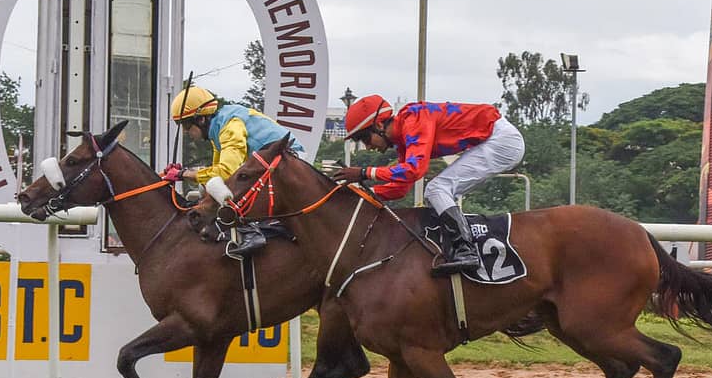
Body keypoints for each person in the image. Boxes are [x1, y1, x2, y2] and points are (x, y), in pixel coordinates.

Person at [332, 95, 525, 276]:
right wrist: (360, 193)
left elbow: (414, 169)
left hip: (501, 141)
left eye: (365, 138)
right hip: (492, 139)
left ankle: (466, 251)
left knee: (436, 189)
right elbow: (401, 187)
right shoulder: (403, 139)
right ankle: (460, 247)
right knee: (436, 190)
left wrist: (364, 173)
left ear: (380, 124)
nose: (367, 147)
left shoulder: (414, 120)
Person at [163, 85, 304, 256]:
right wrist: (188, 175)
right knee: (214, 190)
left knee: (231, 191)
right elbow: (218, 178)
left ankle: (254, 232)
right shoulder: (217, 130)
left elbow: (227, 171)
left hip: (288, 163)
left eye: (186, 124)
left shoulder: (230, 126)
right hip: (270, 166)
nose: (185, 131)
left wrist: (183, 174)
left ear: (201, 119)